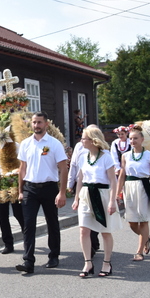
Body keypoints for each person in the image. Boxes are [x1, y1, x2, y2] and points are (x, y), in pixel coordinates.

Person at [15, 112, 68, 273]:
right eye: (34, 122)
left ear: (46, 124)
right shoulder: (25, 144)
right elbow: (22, 168)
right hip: (30, 189)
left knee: (52, 222)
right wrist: (20, 190)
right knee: (28, 224)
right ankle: (28, 261)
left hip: (49, 187)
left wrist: (62, 192)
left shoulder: (54, 144)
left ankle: (53, 255)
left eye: (39, 122)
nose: (36, 125)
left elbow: (63, 168)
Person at [72, 126, 122, 277]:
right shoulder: (83, 156)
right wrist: (76, 199)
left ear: (93, 140)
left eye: (84, 138)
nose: (81, 141)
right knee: (83, 230)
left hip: (103, 194)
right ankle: (88, 263)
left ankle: (107, 263)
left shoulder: (106, 157)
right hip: (86, 194)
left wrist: (112, 201)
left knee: (105, 231)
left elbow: (113, 181)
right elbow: (80, 179)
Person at [118, 125, 150, 261]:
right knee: (132, 223)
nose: (132, 141)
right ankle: (146, 237)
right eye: (131, 139)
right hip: (129, 188)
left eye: (135, 138)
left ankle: (139, 252)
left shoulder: (149, 155)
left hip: (145, 187)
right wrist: (117, 193)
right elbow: (122, 175)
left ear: (142, 139)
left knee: (143, 221)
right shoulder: (125, 156)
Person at [67, 139, 100, 258]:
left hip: (98, 188)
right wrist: (69, 185)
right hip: (82, 187)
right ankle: (90, 247)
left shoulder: (103, 152)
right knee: (85, 219)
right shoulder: (79, 148)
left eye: (85, 137)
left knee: (95, 217)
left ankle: (93, 240)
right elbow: (73, 165)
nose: (82, 140)